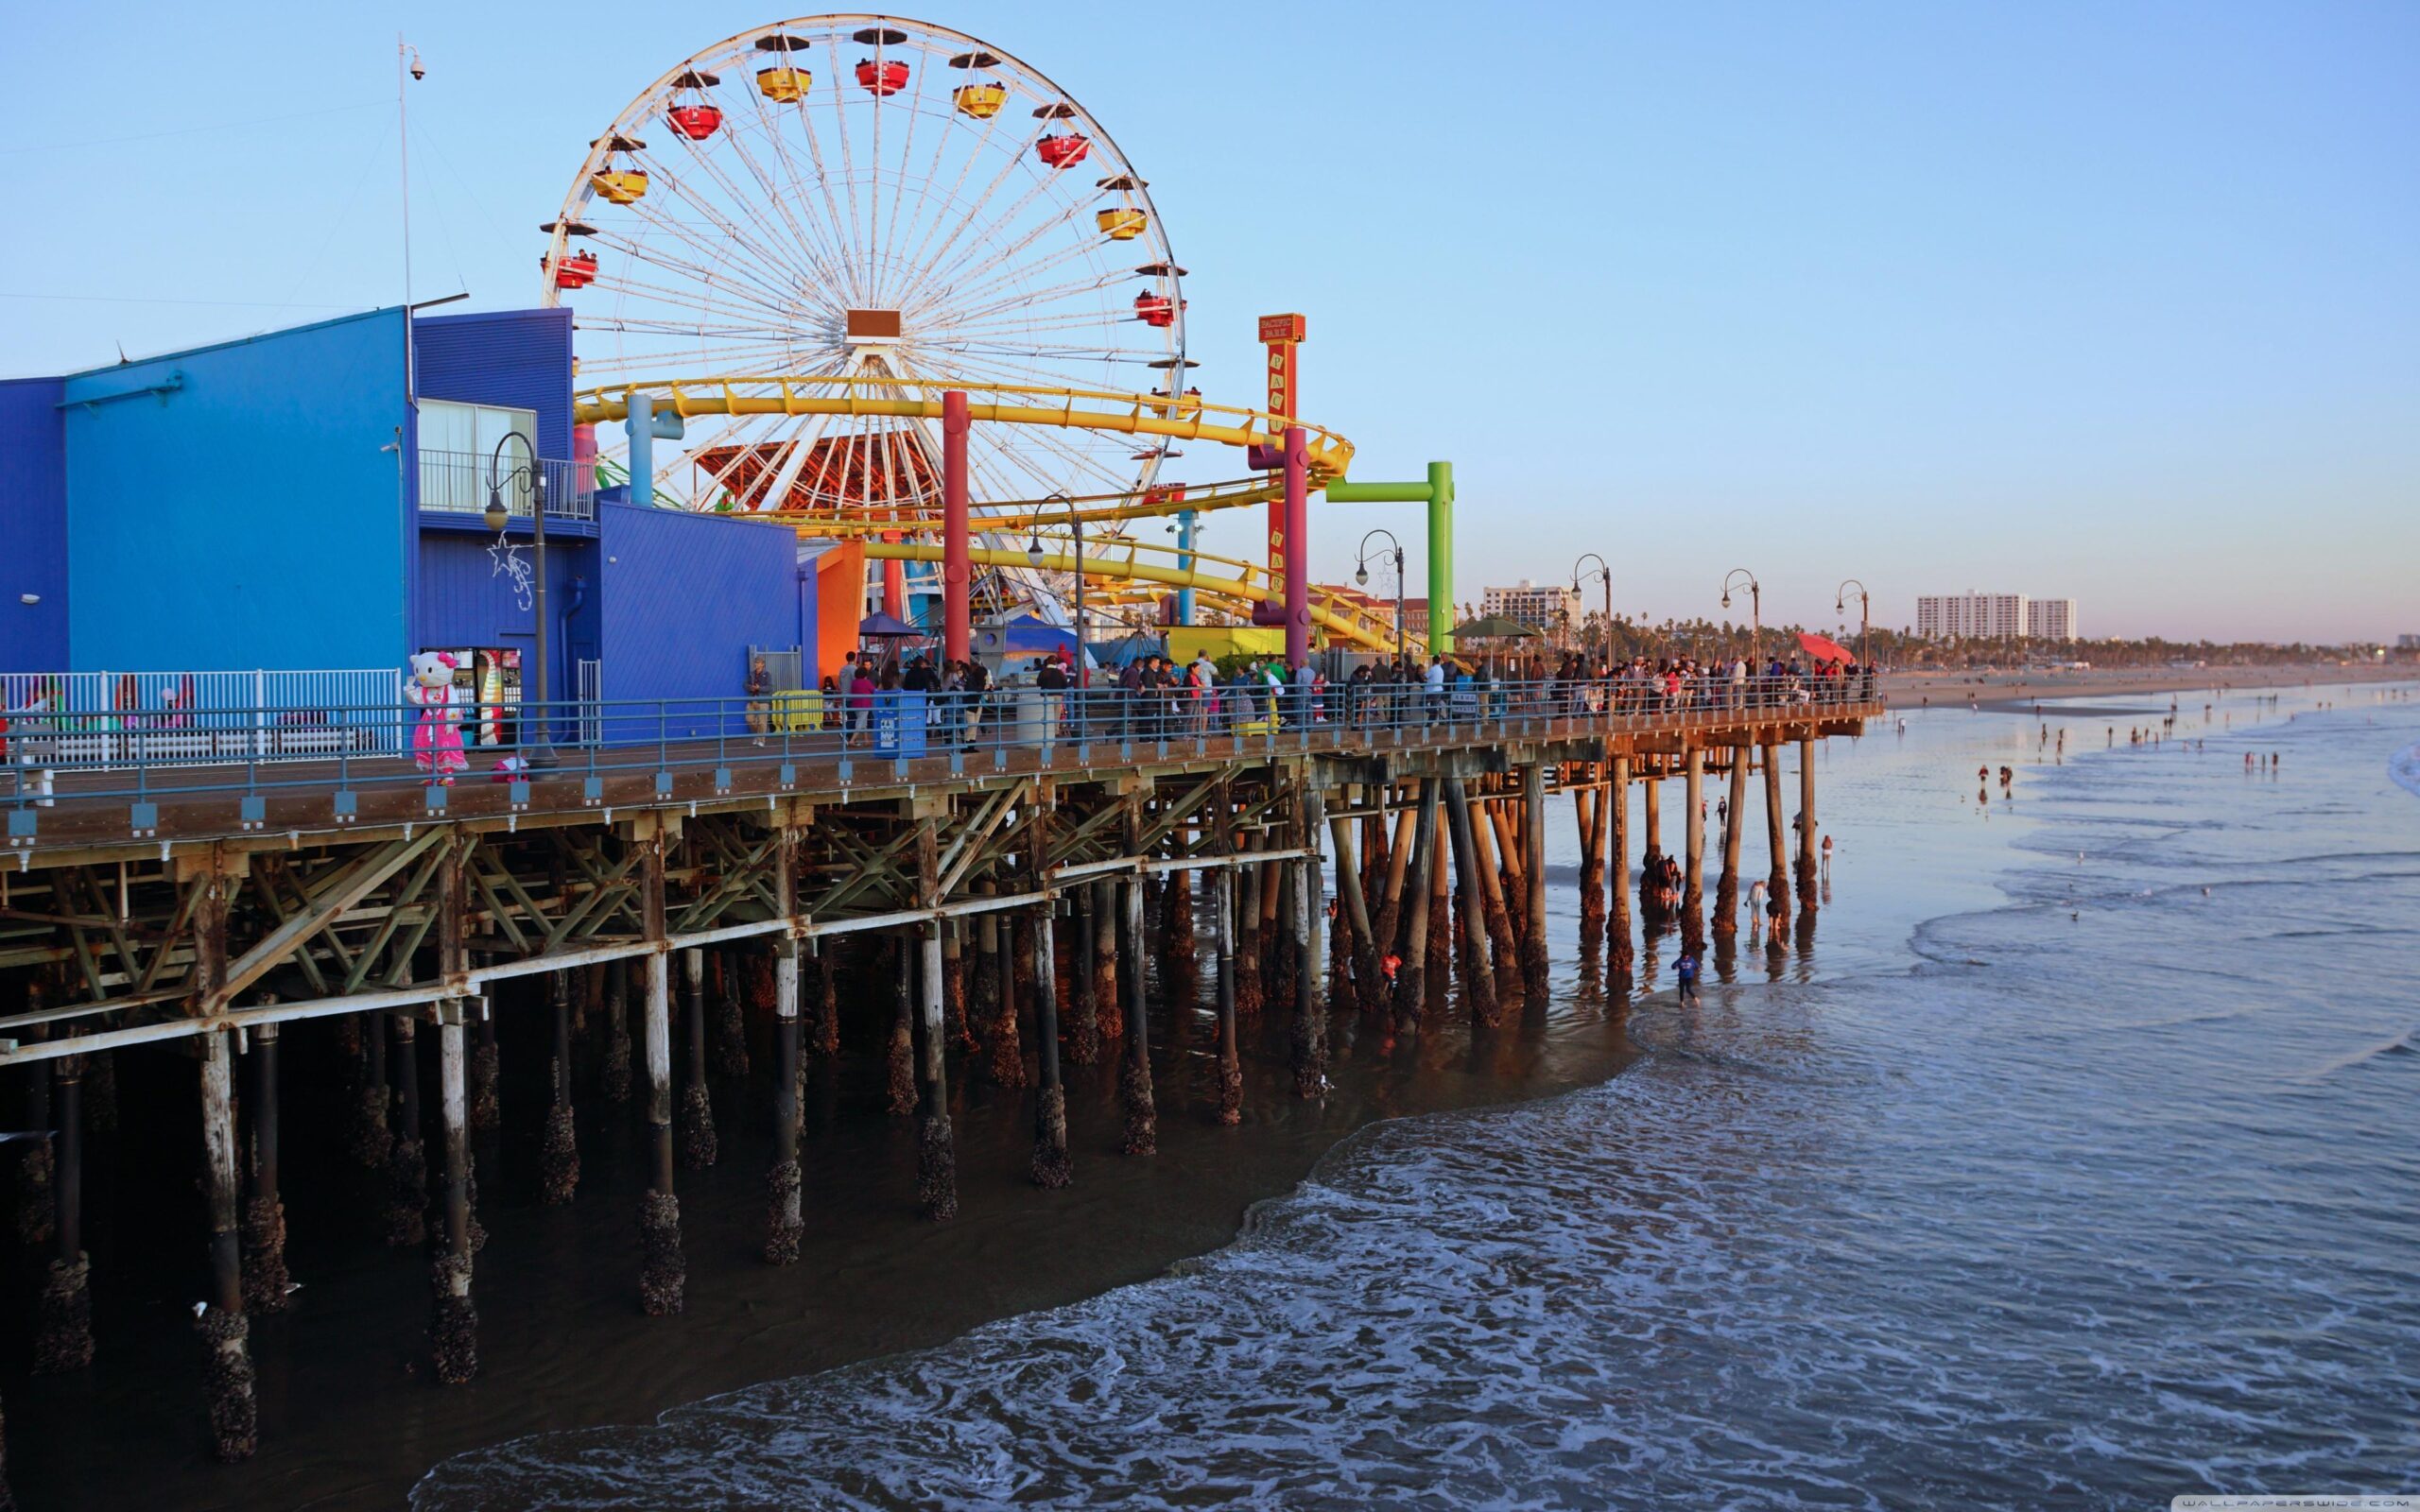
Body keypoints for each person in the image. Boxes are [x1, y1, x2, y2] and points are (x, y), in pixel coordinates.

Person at [745, 655, 773, 746]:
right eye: (755, 662)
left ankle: (761, 740)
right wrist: (750, 687)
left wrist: (759, 688)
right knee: (749, 719)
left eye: (758, 662)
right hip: (752, 699)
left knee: (762, 721)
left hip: (763, 701)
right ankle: (758, 735)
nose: (756, 664)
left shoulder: (767, 674)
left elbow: (769, 687)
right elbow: (745, 684)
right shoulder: (751, 674)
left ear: (763, 664)